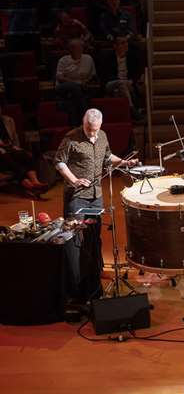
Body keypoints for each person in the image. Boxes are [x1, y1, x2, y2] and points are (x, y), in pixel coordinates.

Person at [52, 108, 138, 299]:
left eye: (95, 130)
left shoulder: (103, 136)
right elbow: (59, 162)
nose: (92, 134)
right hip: (77, 196)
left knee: (94, 236)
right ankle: (75, 286)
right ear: (84, 123)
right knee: (75, 239)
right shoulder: (71, 138)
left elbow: (108, 158)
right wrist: (73, 179)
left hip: (96, 195)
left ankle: (93, 277)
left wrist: (124, 163)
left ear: (100, 125)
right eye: (89, 129)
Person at [0, 107, 46, 192]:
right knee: (8, 159)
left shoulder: (8, 120)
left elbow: (14, 137)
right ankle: (27, 183)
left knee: (24, 155)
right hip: (1, 152)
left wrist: (16, 148)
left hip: (10, 147)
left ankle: (35, 181)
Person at [56, 39, 97, 126]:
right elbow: (59, 77)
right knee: (75, 88)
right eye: (73, 48)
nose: (76, 50)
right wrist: (77, 83)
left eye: (79, 48)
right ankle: (86, 117)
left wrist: (86, 81)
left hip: (82, 87)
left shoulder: (88, 59)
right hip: (65, 86)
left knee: (73, 99)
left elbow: (92, 75)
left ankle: (76, 124)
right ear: (69, 49)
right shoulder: (63, 60)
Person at [102, 35, 144, 121]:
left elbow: (138, 72)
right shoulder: (107, 57)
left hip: (127, 84)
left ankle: (126, 117)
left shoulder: (132, 56)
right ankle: (132, 110)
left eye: (126, 43)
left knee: (121, 90)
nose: (126, 45)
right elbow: (105, 74)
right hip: (111, 83)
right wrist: (122, 81)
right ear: (115, 46)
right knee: (121, 84)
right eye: (122, 43)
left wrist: (131, 81)